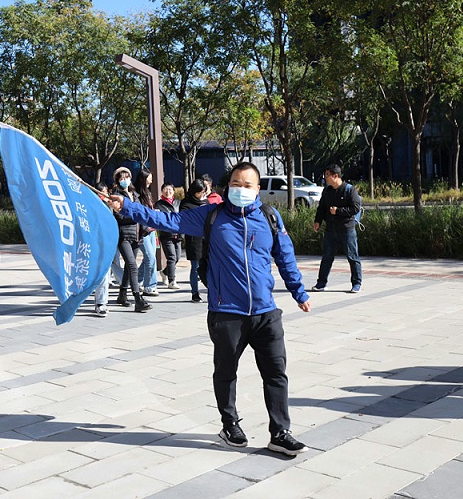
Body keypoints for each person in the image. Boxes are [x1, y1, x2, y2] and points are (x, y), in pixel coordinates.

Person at [109, 161, 312, 457]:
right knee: (226, 373)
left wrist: (298, 290)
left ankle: (280, 432)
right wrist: (127, 206)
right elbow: (167, 221)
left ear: (257, 189)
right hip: (226, 313)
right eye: (235, 184)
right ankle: (230, 424)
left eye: (247, 186)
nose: (240, 190)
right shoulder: (212, 215)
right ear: (226, 186)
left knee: (276, 373)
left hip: (266, 312)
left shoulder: (269, 217)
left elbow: (285, 255)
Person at [312, 164, 363, 293]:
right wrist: (317, 221)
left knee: (352, 257)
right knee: (327, 257)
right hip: (330, 230)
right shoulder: (327, 191)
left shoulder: (349, 190)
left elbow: (355, 208)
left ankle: (356, 283)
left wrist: (338, 211)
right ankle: (321, 283)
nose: (325, 178)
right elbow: (322, 208)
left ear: (335, 176)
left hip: (347, 229)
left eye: (327, 175)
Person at [111, 167, 151, 313]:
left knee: (129, 266)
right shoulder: (116, 196)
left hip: (136, 235)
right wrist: (135, 216)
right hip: (124, 236)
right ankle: (138, 299)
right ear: (117, 181)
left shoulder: (135, 194)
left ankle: (122, 294)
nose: (124, 180)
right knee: (133, 265)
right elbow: (119, 217)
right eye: (121, 178)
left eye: (126, 177)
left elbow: (142, 212)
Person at [180, 178, 208, 303]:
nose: (201, 195)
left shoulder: (206, 202)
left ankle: (211, 289)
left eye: (203, 192)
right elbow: (184, 220)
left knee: (209, 265)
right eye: (199, 192)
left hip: (206, 238)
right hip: (194, 239)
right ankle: (195, 292)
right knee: (195, 266)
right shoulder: (186, 203)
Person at [134, 169, 159, 297]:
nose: (151, 180)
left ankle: (136, 281)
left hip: (151, 230)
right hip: (142, 231)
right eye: (149, 178)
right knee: (150, 258)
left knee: (149, 258)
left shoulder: (147, 193)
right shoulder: (136, 195)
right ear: (143, 179)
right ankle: (149, 286)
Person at [154, 182, 181, 290]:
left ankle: (165, 272)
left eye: (170, 189)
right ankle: (172, 280)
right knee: (171, 257)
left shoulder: (178, 203)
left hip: (178, 234)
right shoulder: (159, 204)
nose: (168, 191)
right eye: (165, 189)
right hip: (166, 234)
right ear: (162, 191)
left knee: (177, 257)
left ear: (173, 191)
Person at [93, 182, 112, 317]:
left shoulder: (110, 204)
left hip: (107, 243)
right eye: (100, 192)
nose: (103, 194)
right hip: (93, 244)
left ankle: (101, 302)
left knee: (105, 272)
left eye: (105, 191)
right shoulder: (90, 205)